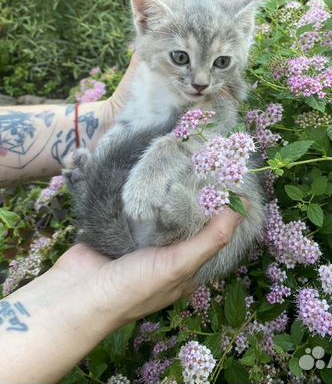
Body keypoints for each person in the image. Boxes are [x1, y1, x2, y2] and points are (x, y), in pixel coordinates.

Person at [0, 54, 244, 384]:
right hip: (148, 224)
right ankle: (115, 202)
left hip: (177, 202)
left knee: (181, 197)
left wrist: (112, 118)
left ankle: (112, 199)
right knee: (160, 196)